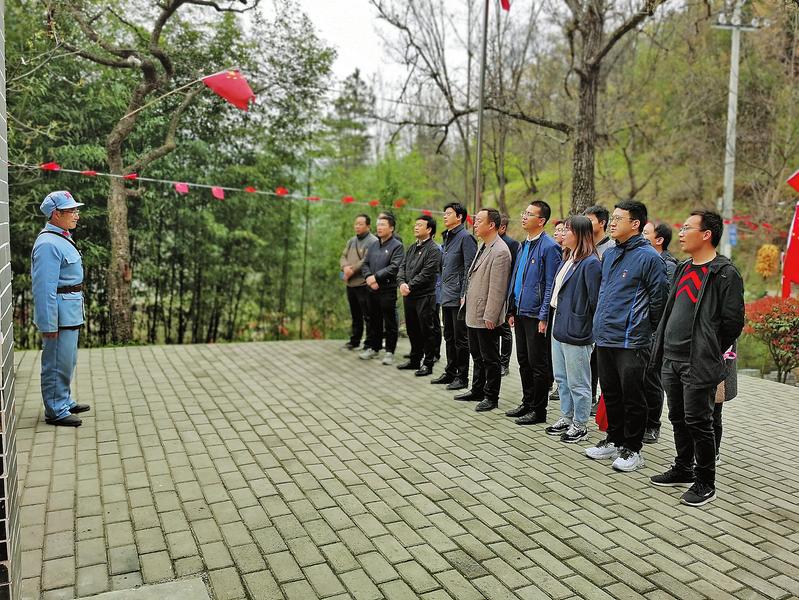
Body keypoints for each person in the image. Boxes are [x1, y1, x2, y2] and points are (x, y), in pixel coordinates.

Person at [649, 210, 744, 507]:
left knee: (699, 421)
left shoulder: (724, 273)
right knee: (677, 417)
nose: (680, 233)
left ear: (706, 235)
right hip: (671, 358)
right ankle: (683, 468)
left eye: (687, 228)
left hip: (698, 361)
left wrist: (709, 348)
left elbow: (733, 323)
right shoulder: (683, 267)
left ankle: (705, 482)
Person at [585, 200, 665, 472]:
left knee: (633, 396)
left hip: (632, 340)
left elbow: (659, 300)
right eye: (613, 217)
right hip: (605, 336)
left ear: (635, 224)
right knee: (611, 393)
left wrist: (645, 330)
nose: (613, 223)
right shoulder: (609, 254)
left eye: (619, 218)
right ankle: (614, 440)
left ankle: (633, 449)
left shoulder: (649, 257)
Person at [31, 191, 91, 427]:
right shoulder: (48, 244)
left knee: (66, 361)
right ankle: (55, 410)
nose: (77, 215)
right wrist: (48, 324)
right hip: (58, 315)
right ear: (56, 214)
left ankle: (63, 400)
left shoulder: (61, 237)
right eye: (71, 211)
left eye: (76, 210)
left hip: (69, 311)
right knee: (56, 362)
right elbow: (43, 288)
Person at [544, 216, 602, 443]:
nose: (562, 234)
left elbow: (595, 301)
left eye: (567, 230)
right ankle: (567, 417)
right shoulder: (568, 258)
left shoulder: (591, 263)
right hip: (559, 324)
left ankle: (580, 423)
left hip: (578, 329)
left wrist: (590, 329)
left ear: (579, 234)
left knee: (578, 381)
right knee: (562, 377)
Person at [504, 201, 561, 425]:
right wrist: (511, 308)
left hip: (536, 314)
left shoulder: (549, 247)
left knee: (538, 363)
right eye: (524, 213)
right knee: (523, 360)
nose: (524, 216)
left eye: (529, 214)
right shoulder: (523, 245)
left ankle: (539, 410)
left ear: (541, 220)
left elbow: (550, 285)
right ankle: (527, 403)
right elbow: (516, 278)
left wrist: (544, 315)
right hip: (520, 311)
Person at [455, 208, 512, 412]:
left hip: (485, 314)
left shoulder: (500, 251)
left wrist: (491, 315)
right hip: (473, 310)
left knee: (490, 358)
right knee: (477, 355)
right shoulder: (484, 245)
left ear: (492, 225)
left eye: (479, 221)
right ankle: (477, 389)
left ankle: (491, 396)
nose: (475, 224)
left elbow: (498, 288)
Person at [432, 203, 477, 391]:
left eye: (449, 213)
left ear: (459, 217)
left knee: (460, 339)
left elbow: (469, 268)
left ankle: (462, 376)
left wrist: (464, 293)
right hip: (446, 294)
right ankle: (450, 371)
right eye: (444, 213)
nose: (445, 216)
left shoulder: (466, 237)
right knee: (449, 336)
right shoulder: (448, 237)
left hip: (458, 296)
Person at [641, 221, 679, 444]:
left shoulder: (669, 266)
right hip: (639, 330)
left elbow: (665, 303)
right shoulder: (642, 259)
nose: (641, 236)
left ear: (659, 240)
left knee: (651, 380)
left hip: (655, 332)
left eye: (646, 233)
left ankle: (652, 425)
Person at [397, 215, 443, 376]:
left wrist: (409, 285)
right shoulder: (412, 247)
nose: (416, 227)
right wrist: (401, 283)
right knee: (412, 329)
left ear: (429, 229)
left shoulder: (434, 249)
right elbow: (402, 267)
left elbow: (427, 273)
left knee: (426, 330)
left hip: (425, 296)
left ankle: (428, 363)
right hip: (409, 295)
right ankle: (414, 359)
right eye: (415, 225)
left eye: (420, 225)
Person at [360, 213, 404, 365]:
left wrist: (376, 277)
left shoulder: (397, 246)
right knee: (374, 320)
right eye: (378, 225)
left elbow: (394, 267)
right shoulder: (373, 245)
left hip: (387, 289)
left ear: (391, 228)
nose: (379, 227)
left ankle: (390, 352)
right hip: (371, 289)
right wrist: (368, 277)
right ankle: (374, 347)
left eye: (383, 225)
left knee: (389, 321)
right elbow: (365, 264)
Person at [583, 204, 613, 413]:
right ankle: (589, 396)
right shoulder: (585, 247)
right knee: (588, 362)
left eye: (590, 220)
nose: (586, 224)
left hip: (601, 314)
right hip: (584, 313)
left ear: (602, 223)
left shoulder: (610, 249)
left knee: (601, 361)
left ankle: (602, 400)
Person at [340, 214, 378, 351]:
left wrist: (351, 270)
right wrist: (345, 267)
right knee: (355, 314)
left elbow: (366, 260)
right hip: (350, 284)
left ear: (368, 226)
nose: (357, 226)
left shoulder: (373, 241)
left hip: (363, 284)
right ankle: (354, 340)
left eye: (360, 224)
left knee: (368, 315)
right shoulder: (351, 241)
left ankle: (369, 343)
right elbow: (343, 256)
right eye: (356, 223)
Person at [498, 214, 521, 377]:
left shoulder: (512, 244)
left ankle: (504, 363)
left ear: (503, 227)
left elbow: (514, 271)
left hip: (506, 292)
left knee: (505, 330)